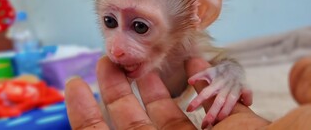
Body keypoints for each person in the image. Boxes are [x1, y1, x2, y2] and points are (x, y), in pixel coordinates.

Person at [65, 56, 311, 129]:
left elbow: (224, 66)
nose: (115, 49)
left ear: (199, 12)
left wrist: (230, 74)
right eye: (109, 21)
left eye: (140, 26)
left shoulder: (193, 49)